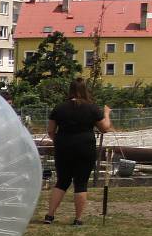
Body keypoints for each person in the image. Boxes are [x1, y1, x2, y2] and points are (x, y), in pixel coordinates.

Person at [43, 78, 112, 226]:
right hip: (85, 147)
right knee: (81, 183)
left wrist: (59, 140)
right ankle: (78, 219)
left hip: (63, 147)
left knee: (62, 181)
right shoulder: (92, 108)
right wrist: (106, 113)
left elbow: (50, 130)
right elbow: (104, 128)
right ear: (84, 90)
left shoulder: (59, 108)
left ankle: (50, 215)